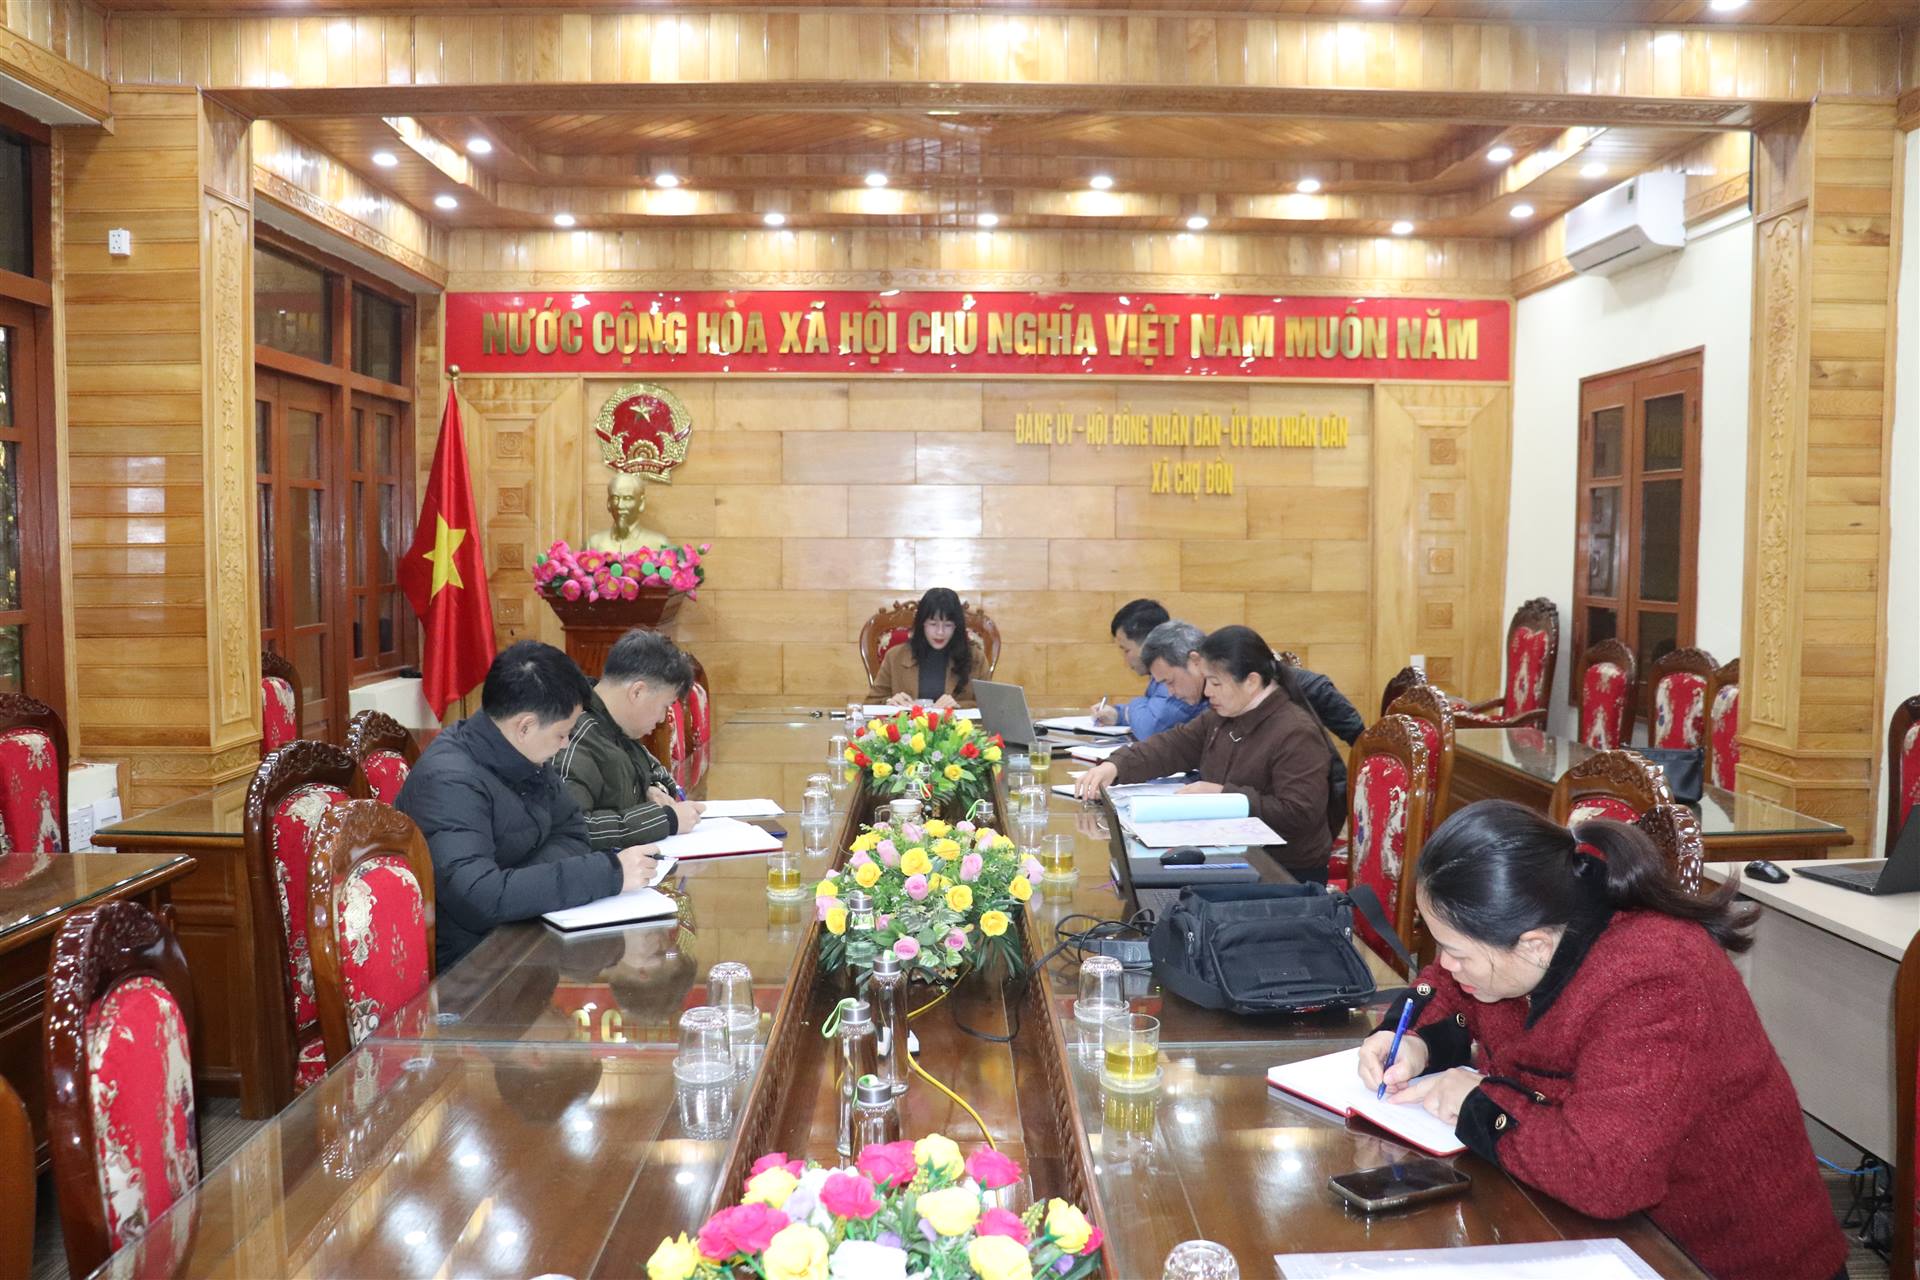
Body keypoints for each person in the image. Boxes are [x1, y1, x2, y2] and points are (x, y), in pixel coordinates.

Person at [1357, 801, 1848, 1280]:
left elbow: (1607, 1175)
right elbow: (1447, 987)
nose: (1445, 964)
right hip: (1584, 1227)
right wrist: (1414, 1040)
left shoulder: (1657, 981)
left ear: (1534, 945)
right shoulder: (1536, 922)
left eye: (1456, 952)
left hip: (1708, 1257)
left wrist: (1477, 1105)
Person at [396, 640, 659, 971]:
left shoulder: (523, 752)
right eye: (561, 734)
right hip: (472, 970)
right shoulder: (450, 782)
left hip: (523, 934)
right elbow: (480, 898)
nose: (565, 744)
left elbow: (573, 831)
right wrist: (608, 873)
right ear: (525, 726)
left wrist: (519, 883)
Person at [1075, 625, 1335, 881]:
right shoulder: (1222, 716)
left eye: (1215, 683)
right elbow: (1172, 746)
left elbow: (1298, 812)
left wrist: (1224, 796)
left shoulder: (1296, 731)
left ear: (1251, 681)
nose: (1207, 692)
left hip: (1282, 873)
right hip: (1230, 856)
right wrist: (1115, 766)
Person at [554, 628, 705, 852]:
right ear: (637, 692)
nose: (662, 718)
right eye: (664, 706)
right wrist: (665, 820)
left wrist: (653, 789)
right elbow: (576, 829)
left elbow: (658, 773)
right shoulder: (573, 737)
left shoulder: (617, 725)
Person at [1091, 599, 1203, 739]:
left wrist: (1136, 704)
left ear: (1148, 644)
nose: (1171, 691)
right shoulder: (1170, 675)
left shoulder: (1176, 670)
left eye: (1126, 650)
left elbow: (1149, 729)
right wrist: (1119, 714)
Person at [864, 586, 983, 709]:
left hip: (957, 722)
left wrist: (958, 706)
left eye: (948, 625)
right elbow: (870, 703)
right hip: (908, 722)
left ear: (957, 626)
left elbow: (988, 705)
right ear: (922, 624)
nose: (940, 632)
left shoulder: (976, 658)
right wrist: (890, 702)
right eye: (933, 624)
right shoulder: (895, 656)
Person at [585, 470, 671, 554]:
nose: (620, 505)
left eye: (627, 498)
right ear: (608, 503)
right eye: (615, 498)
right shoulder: (593, 545)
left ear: (641, 503)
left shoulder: (659, 544)